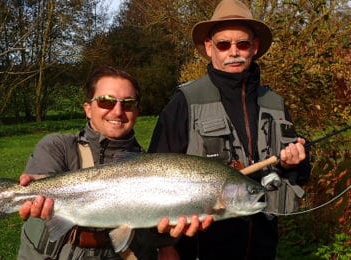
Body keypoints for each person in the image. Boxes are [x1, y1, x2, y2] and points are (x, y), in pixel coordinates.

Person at [148, 0, 311, 259]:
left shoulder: (275, 102)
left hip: (262, 246)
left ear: (254, 47)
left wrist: (294, 163)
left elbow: (301, 174)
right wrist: (164, 245)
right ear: (209, 47)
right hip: (200, 248)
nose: (233, 52)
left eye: (242, 44)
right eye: (224, 44)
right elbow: (153, 176)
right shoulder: (185, 101)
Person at [17, 66, 210, 260]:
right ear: (88, 109)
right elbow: (42, 177)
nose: (117, 111)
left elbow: (149, 232)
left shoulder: (152, 168)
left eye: (128, 104)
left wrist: (164, 236)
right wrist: (34, 187)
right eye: (106, 102)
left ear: (136, 111)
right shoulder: (58, 146)